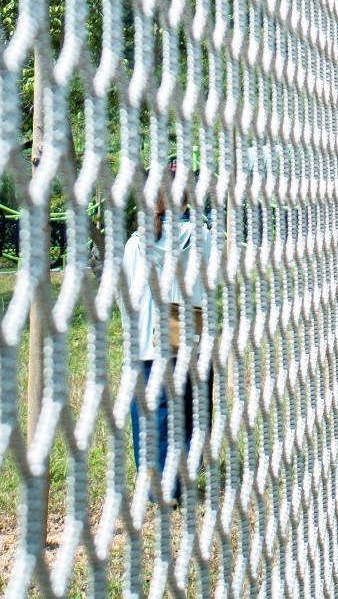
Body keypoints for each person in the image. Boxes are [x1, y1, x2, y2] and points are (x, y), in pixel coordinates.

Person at [122, 174, 212, 507]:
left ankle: (158, 486)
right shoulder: (201, 237)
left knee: (152, 414)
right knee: (189, 411)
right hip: (189, 337)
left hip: (147, 341)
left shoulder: (135, 245)